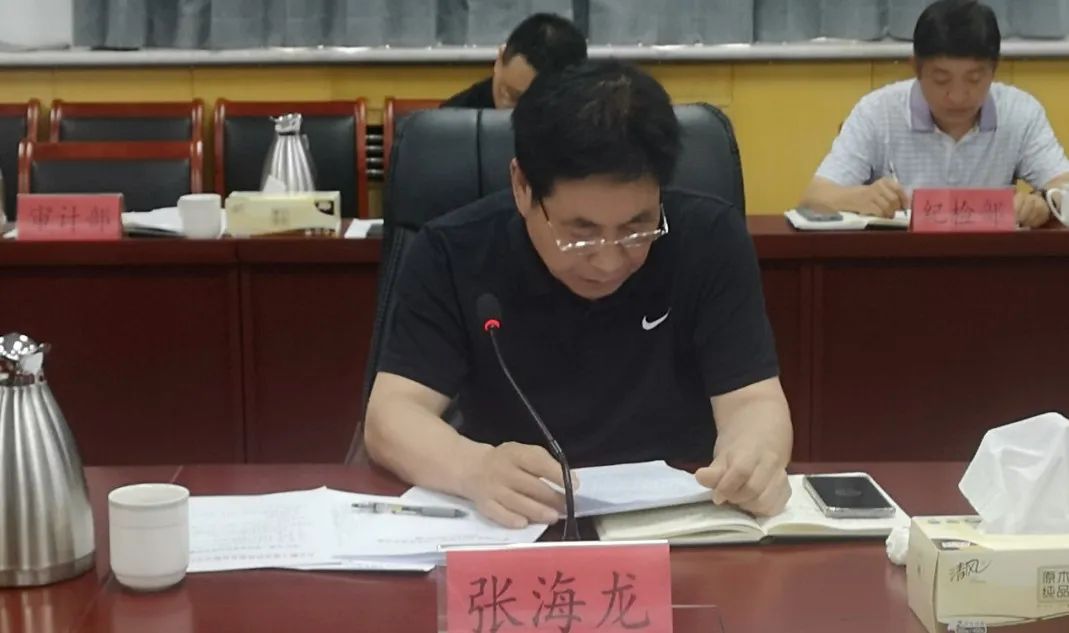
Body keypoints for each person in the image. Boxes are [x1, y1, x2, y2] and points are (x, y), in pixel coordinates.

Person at [365, 60, 794, 529]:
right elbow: (391, 414)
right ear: (522, 186)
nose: (609, 261)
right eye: (580, 233)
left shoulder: (709, 239)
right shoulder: (451, 252)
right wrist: (473, 467)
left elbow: (753, 402)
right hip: (518, 520)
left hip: (677, 525)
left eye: (636, 227)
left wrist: (755, 456)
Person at [800, 0, 1069, 228]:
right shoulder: (877, 112)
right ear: (916, 68)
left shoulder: (1020, 112)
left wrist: (1044, 202)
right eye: (941, 80)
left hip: (989, 262)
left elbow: (1064, 186)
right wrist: (858, 198)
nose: (958, 96)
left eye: (974, 79)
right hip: (899, 262)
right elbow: (814, 197)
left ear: (994, 69)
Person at [441, 13, 587, 110]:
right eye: (509, 95)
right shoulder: (456, 119)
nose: (508, 107)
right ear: (499, 60)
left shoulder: (590, 122)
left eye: (532, 105)